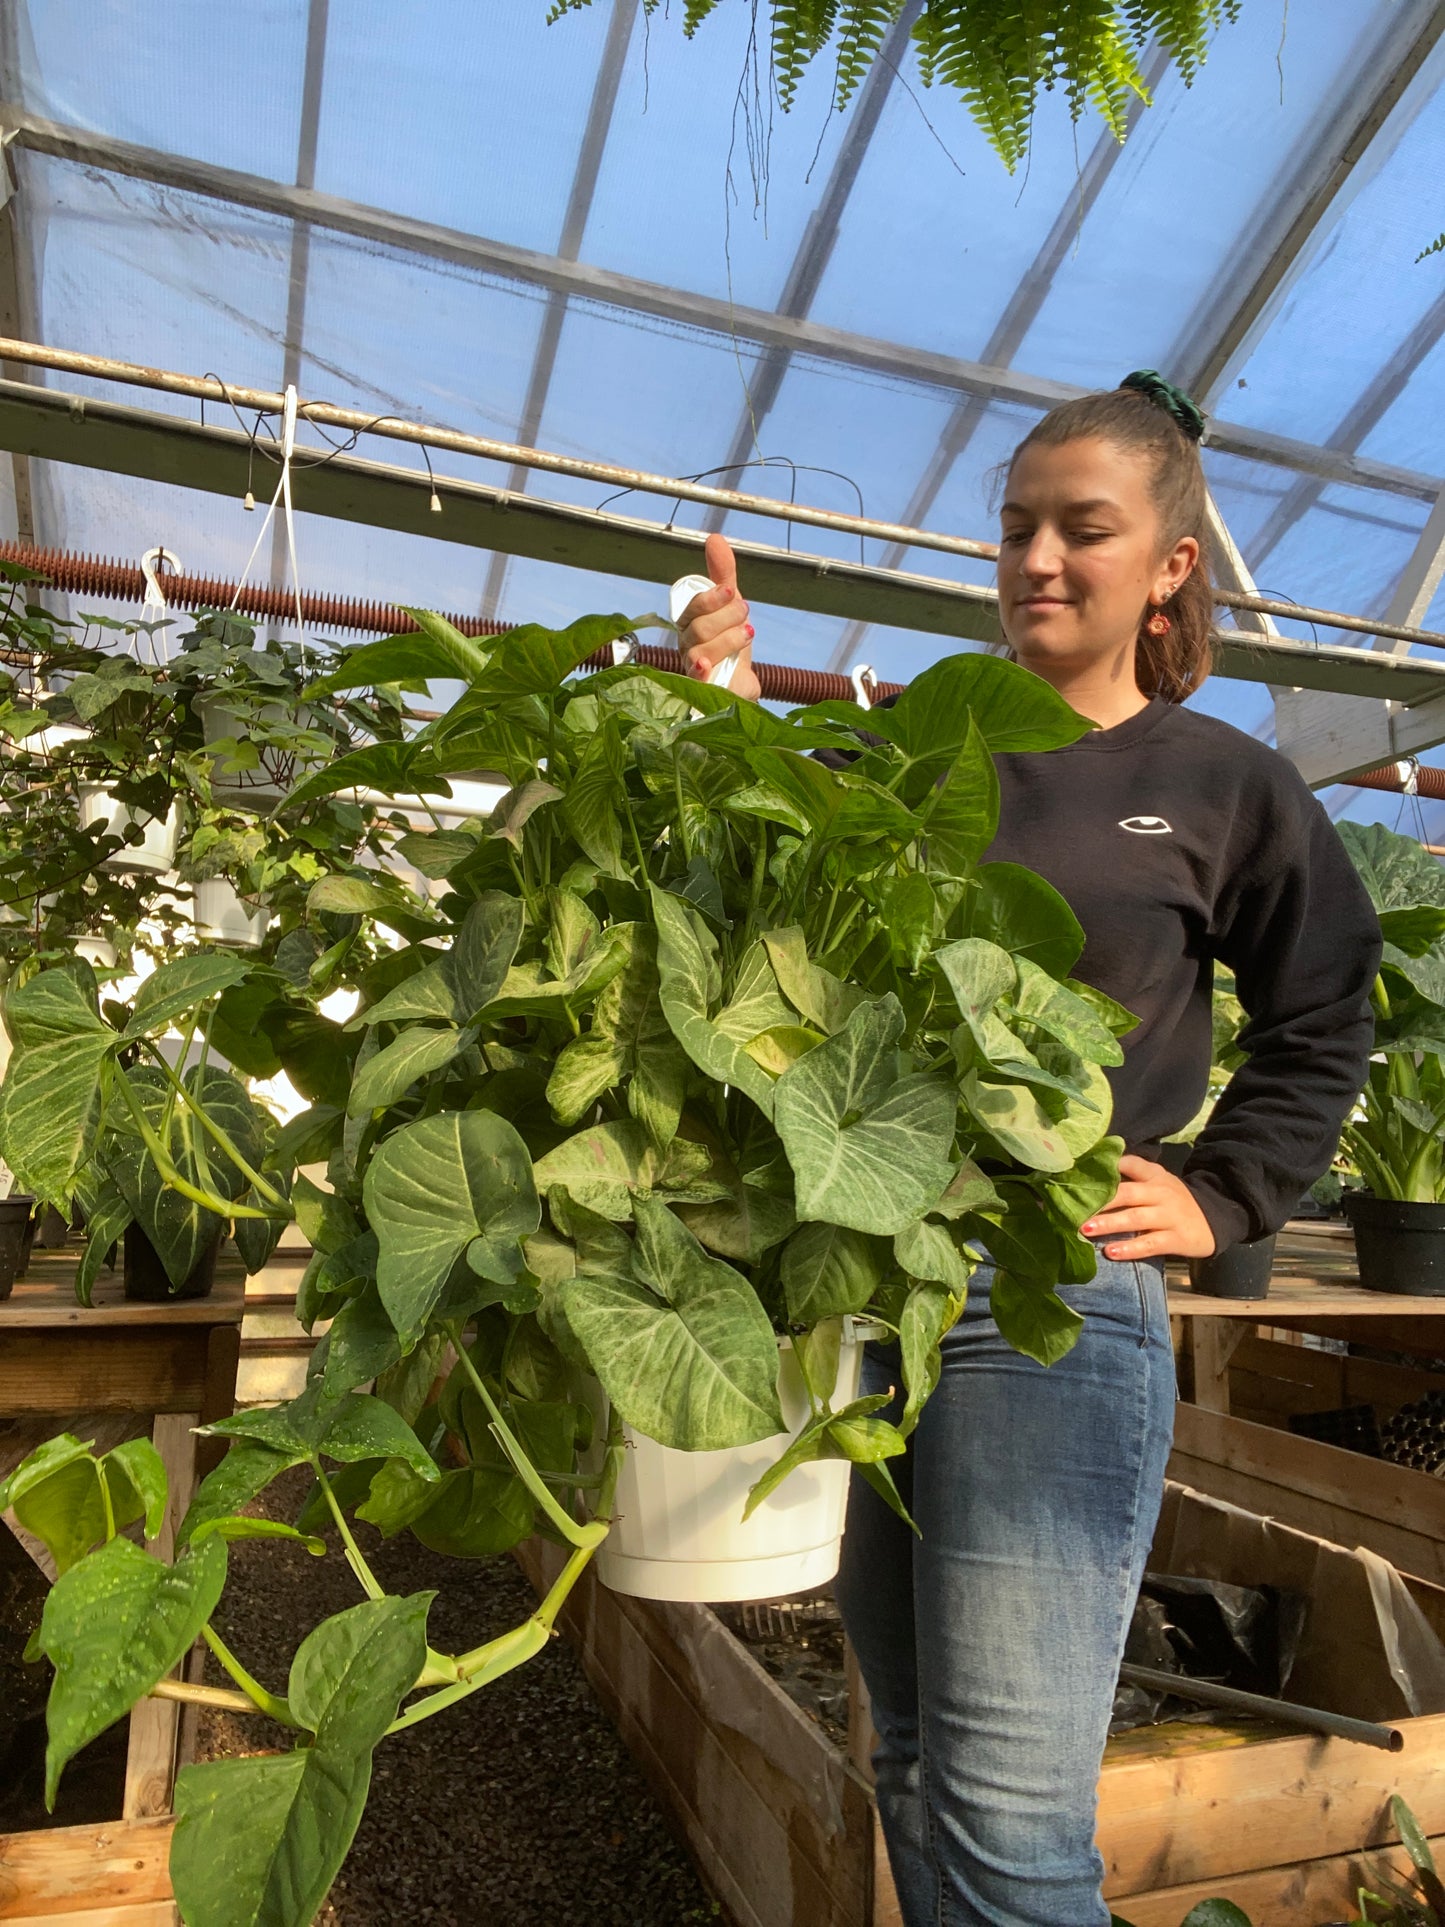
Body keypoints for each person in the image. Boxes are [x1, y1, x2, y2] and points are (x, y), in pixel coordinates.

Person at [676, 373, 1383, 1927]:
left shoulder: (1220, 784)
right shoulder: (916, 748)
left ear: (1169, 564)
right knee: (917, 1761)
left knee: (1005, 1821)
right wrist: (725, 712)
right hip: (883, 1289)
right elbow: (758, 899)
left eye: (1083, 529)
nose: (1038, 561)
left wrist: (1222, 1192)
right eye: (1014, 531)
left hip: (1053, 1293)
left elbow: (1325, 1007)